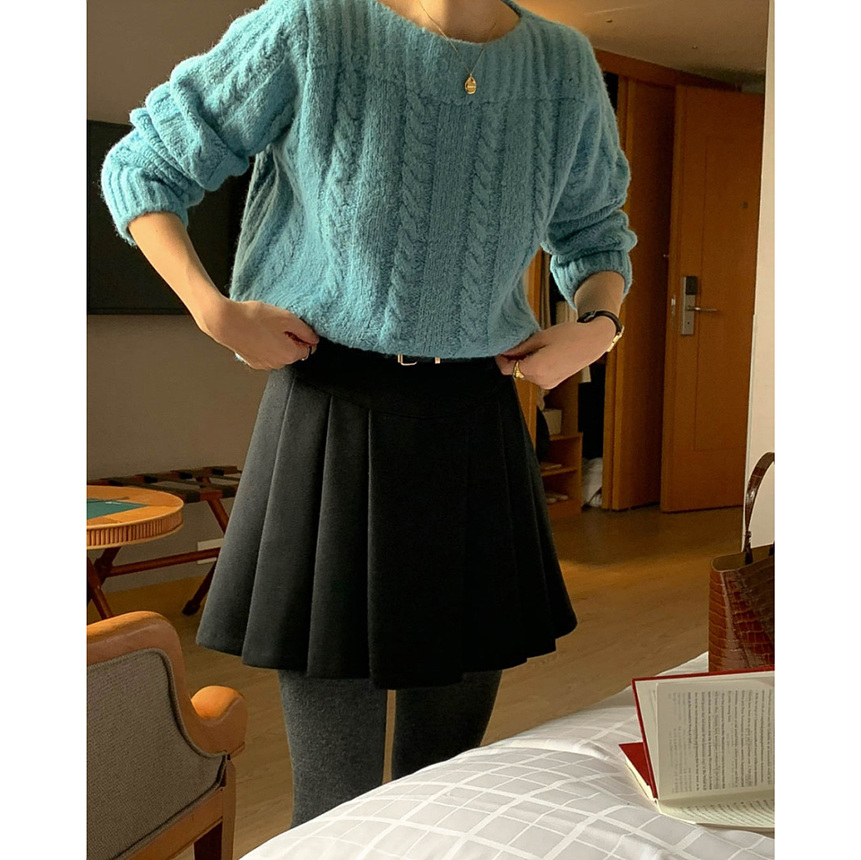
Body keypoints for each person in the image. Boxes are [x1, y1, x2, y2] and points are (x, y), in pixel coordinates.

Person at [99, 0, 637, 828]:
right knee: (334, 799)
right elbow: (143, 166)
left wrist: (596, 327)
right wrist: (212, 309)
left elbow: (596, 236)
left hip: (475, 424)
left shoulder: (562, 64)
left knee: (447, 783)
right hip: (331, 417)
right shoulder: (312, 26)